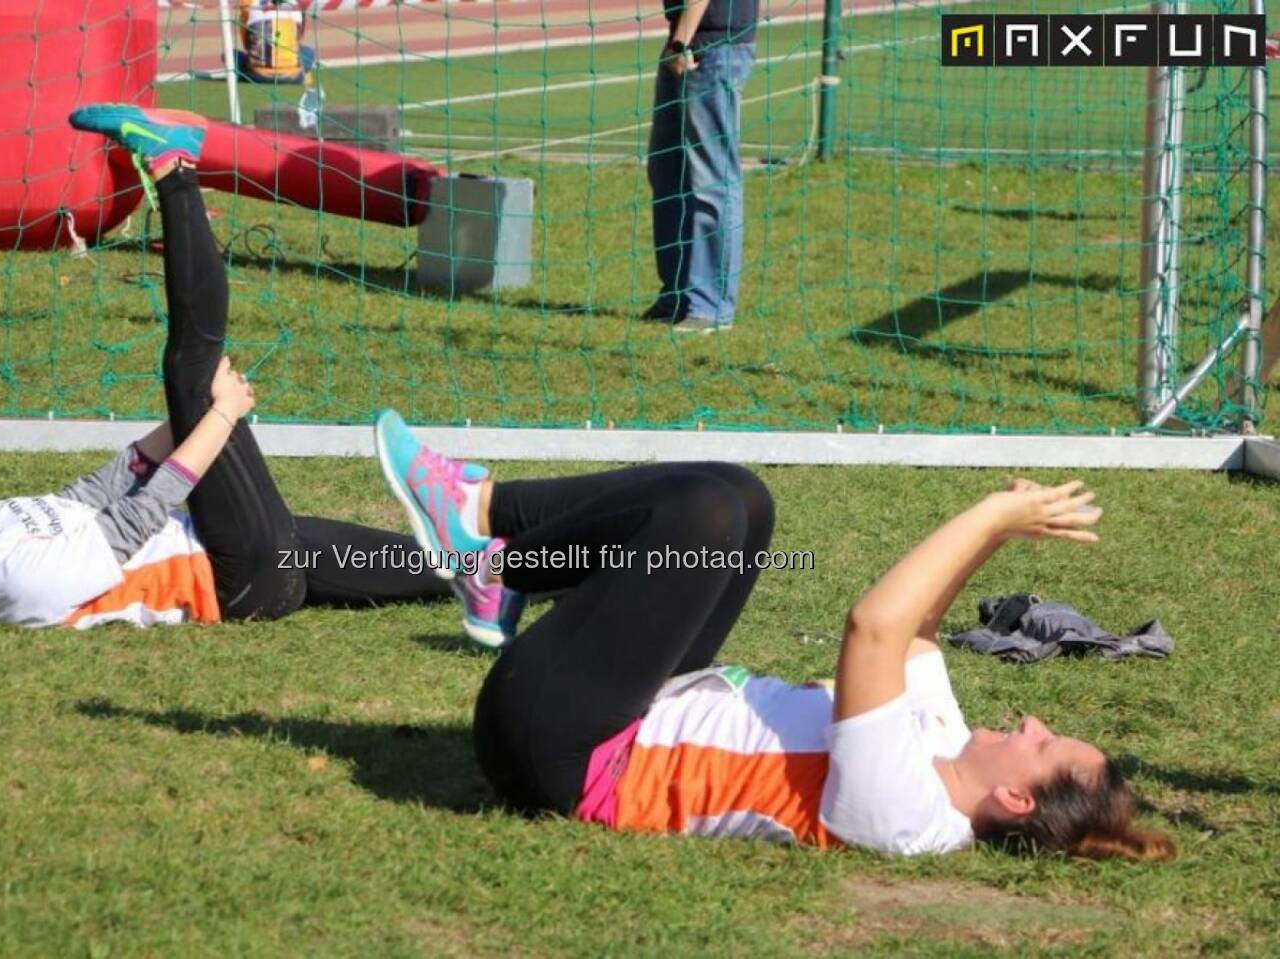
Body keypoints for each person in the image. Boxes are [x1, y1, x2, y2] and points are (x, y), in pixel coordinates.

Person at [373, 410, 1175, 859]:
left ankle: (492, 557)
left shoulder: (909, 814)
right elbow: (919, 632)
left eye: (1044, 742)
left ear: (1015, 796)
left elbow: (873, 628)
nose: (1035, 722)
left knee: (706, 516)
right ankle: (489, 534)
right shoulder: (947, 740)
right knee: (743, 501)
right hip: (628, 702)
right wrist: (994, 535)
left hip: (562, 749)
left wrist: (992, 514)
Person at [0, 106, 506, 642]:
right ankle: (172, 167)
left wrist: (182, 423)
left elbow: (92, 491)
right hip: (236, 576)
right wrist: (215, 413)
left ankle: (573, 565)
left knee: (448, 561)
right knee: (190, 366)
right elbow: (136, 519)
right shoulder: (10, 588)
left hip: (245, 544)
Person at [644, 0, 758, 334]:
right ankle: (678, 297)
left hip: (709, 46)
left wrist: (681, 40)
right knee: (668, 172)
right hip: (687, 41)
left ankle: (710, 306)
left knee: (712, 180)